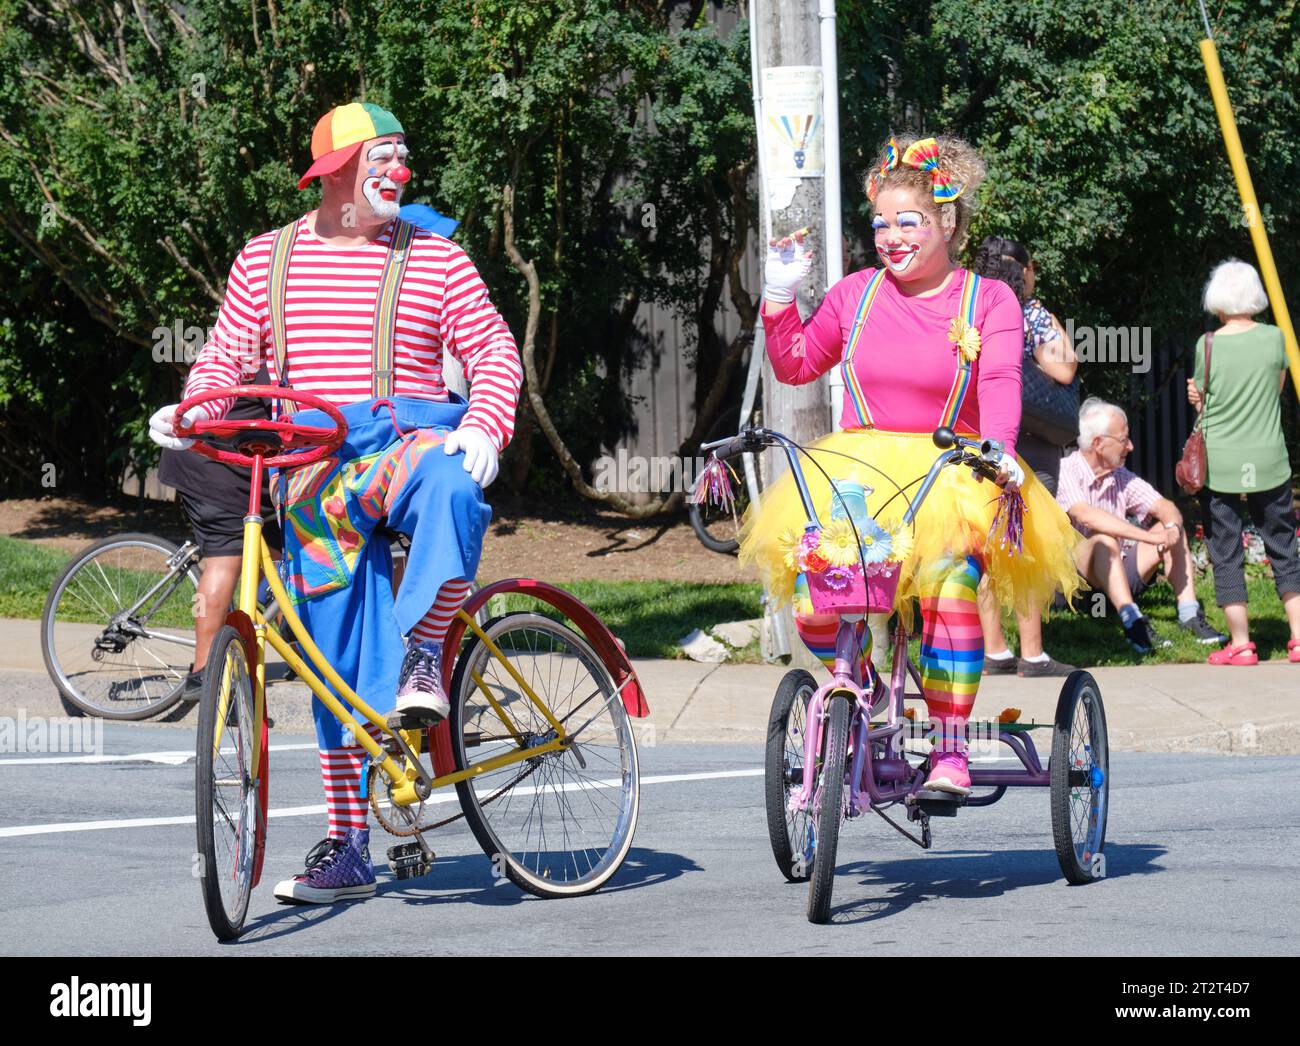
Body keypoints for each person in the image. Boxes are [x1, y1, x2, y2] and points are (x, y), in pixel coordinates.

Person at [148, 101, 522, 902]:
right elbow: (224, 358)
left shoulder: (435, 259)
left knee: (452, 486)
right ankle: (349, 846)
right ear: (336, 172)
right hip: (313, 473)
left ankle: (425, 647)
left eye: (403, 157)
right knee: (331, 660)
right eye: (384, 157)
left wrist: (486, 423)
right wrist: (193, 410)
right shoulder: (266, 260)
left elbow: (492, 347)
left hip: (409, 446)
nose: (400, 173)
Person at [740, 134, 1083, 796]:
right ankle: (858, 687)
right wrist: (780, 300)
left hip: (952, 468)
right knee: (817, 595)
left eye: (909, 222)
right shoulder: (855, 294)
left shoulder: (989, 300)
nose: (891, 237)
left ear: (947, 222)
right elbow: (794, 365)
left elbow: (1002, 383)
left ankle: (951, 748)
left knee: (949, 587)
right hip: (859, 471)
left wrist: (1002, 452)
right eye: (881, 224)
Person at [972, 236, 1078, 676]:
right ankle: (1032, 654)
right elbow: (1065, 366)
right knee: (1026, 543)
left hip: (978, 440)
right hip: (1029, 442)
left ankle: (994, 650)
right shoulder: (1029, 313)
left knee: (984, 544)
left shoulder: (967, 306)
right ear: (1024, 270)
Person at [1186, 259, 1300, 665]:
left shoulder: (1208, 344)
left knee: (1225, 548)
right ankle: (1298, 636)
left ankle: (1241, 643)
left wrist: (1197, 395)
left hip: (1221, 463)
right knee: (1284, 545)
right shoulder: (1275, 339)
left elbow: (1201, 395)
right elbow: (1277, 387)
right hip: (1269, 458)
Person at [1056, 397, 1226, 654]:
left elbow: (1166, 507)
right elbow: (1086, 516)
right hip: (1079, 584)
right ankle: (1132, 619)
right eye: (1123, 440)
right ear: (1098, 443)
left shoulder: (1120, 475)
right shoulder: (1066, 470)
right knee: (1103, 537)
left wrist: (1170, 527)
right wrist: (1146, 538)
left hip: (1120, 571)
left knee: (1170, 527)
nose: (1131, 446)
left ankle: (1189, 614)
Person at [157, 370, 283, 700]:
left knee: (283, 544)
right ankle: (204, 673)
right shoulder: (274, 349)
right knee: (226, 560)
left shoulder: (245, 335)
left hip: (226, 462)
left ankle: (290, 634)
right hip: (216, 471)